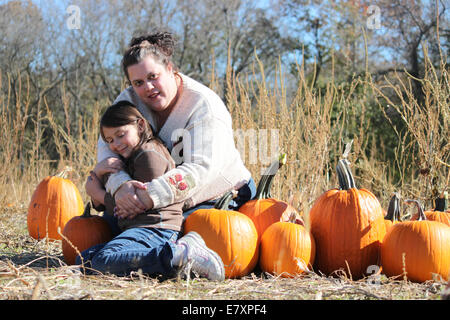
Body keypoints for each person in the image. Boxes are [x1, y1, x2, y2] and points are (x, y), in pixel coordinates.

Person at [95, 31, 256, 223]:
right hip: (154, 199)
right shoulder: (129, 100)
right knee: (109, 226)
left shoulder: (203, 106)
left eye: (153, 76)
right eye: (138, 82)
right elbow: (107, 150)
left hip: (218, 195)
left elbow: (200, 170)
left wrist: (146, 198)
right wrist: (121, 186)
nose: (147, 87)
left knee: (165, 230)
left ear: (170, 68)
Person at [80, 101, 225, 281]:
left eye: (120, 135)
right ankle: (172, 261)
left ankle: (178, 254)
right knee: (85, 258)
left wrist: (97, 193)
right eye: (109, 140)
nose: (115, 145)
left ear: (140, 125)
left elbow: (134, 206)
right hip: (141, 229)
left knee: (102, 262)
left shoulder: (149, 156)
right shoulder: (135, 155)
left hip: (156, 229)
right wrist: (98, 173)